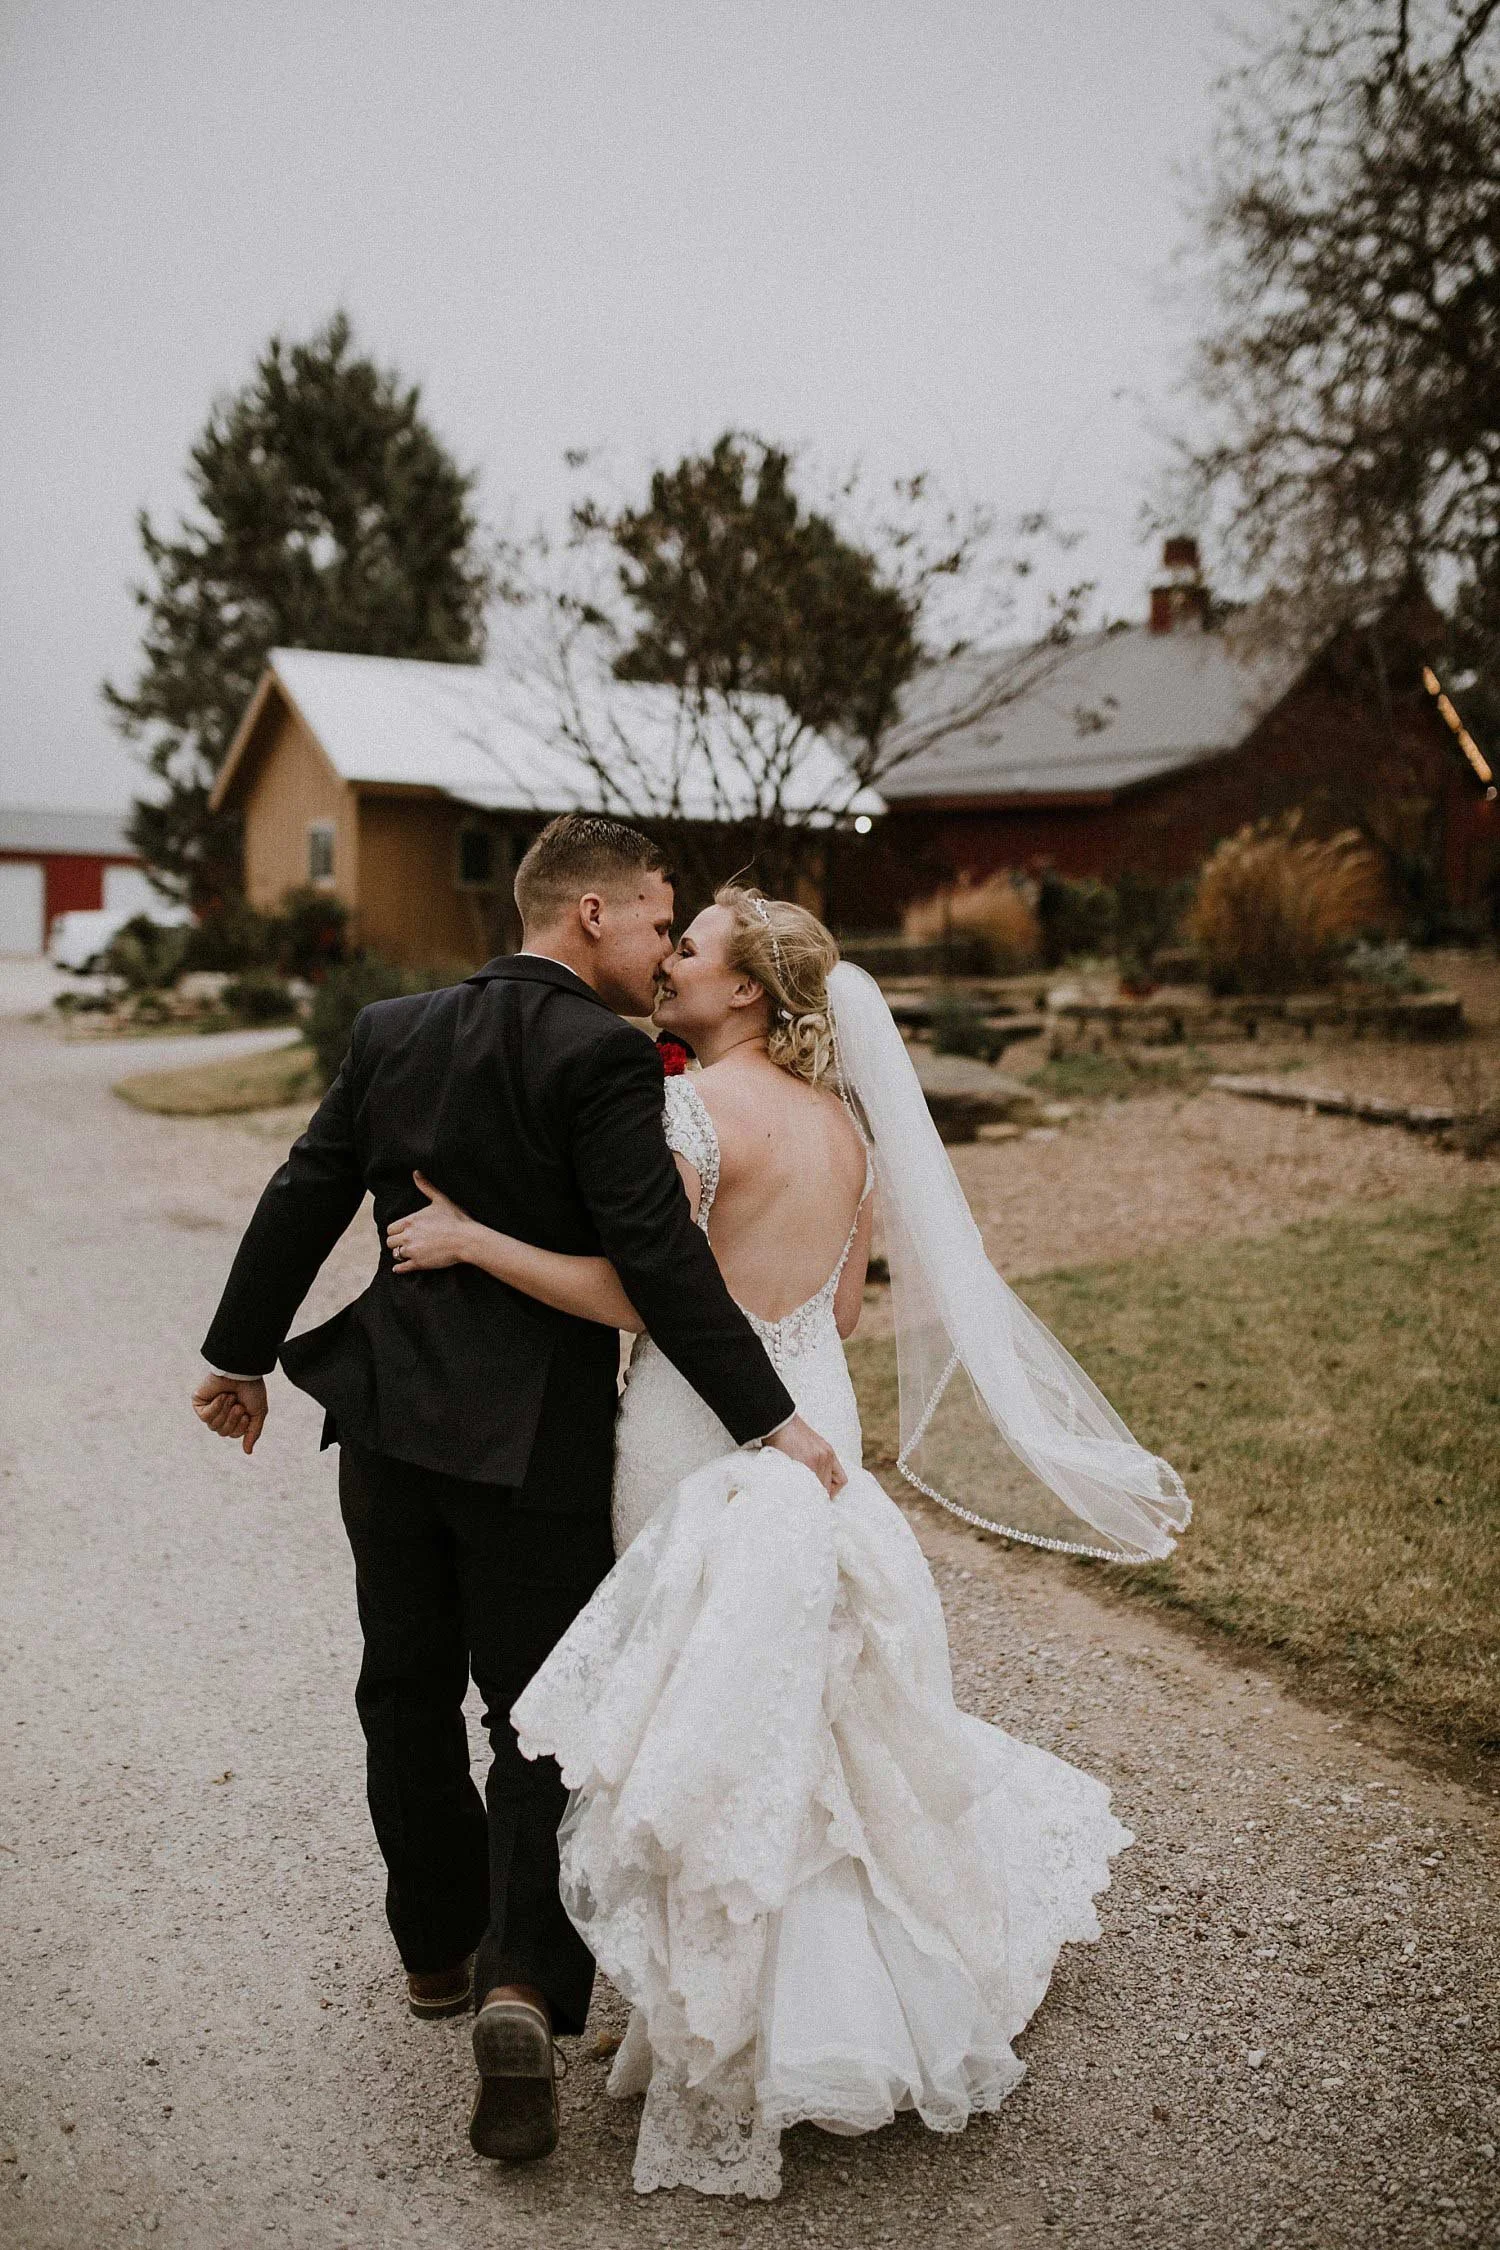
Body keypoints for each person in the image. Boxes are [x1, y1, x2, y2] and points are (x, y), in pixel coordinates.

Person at [386, 884, 1191, 2199]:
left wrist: (479, 1237)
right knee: (807, 1710)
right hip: (818, 1408)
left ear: (746, 991)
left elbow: (644, 1290)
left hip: (703, 1428)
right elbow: (849, 1312)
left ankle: (720, 2010)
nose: (668, 966)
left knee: (703, 1701)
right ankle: (836, 1995)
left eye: (689, 950)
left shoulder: (689, 1111)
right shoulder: (848, 1129)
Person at [191, 817, 845, 2168]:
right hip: (528, 1441)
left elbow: (306, 1187)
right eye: (659, 918)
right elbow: (662, 1263)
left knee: (401, 1686)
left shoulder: (393, 1026)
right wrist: (772, 1417)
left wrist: (236, 1354)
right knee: (541, 1717)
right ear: (593, 912)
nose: (665, 945)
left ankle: (433, 1950)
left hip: (385, 1428)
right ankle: (521, 1986)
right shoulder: (601, 1055)